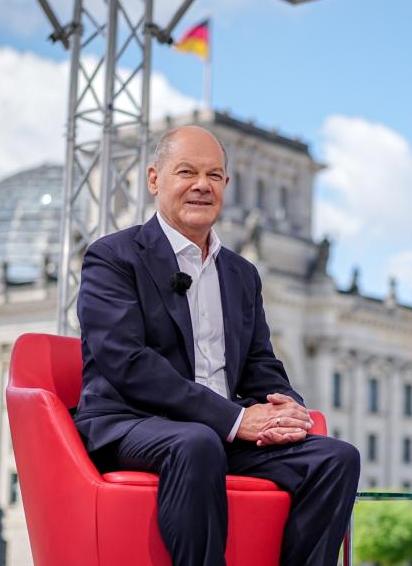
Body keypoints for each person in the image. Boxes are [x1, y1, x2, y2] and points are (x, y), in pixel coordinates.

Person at [73, 125, 359, 566]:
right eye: (186, 172)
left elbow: (260, 362)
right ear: (155, 180)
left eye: (214, 175)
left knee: (336, 458)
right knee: (197, 442)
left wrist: (285, 410)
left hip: (221, 431)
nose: (201, 185)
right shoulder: (112, 257)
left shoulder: (241, 273)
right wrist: (236, 418)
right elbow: (127, 363)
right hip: (131, 424)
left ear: (226, 185)